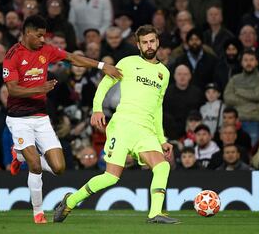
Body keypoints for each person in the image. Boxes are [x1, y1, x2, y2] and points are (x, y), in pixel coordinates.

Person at [54, 25, 179, 224]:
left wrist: (161, 139)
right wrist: (97, 109)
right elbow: (105, 84)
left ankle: (155, 213)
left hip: (145, 130)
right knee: (111, 177)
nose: (149, 45)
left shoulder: (164, 73)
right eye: (145, 42)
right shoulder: (128, 63)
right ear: (138, 45)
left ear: (158, 42)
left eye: (152, 41)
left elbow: (157, 108)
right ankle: (71, 201)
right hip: (122, 126)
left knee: (162, 166)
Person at [3, 15, 121, 224]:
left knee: (59, 168)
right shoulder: (12, 55)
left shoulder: (46, 51)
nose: (42, 40)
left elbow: (73, 58)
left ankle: (19, 155)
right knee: (36, 167)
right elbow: (12, 89)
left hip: (40, 117)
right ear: (27, 33)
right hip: (18, 118)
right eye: (39, 35)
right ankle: (38, 213)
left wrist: (103, 66)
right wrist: (41, 88)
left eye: (44, 36)